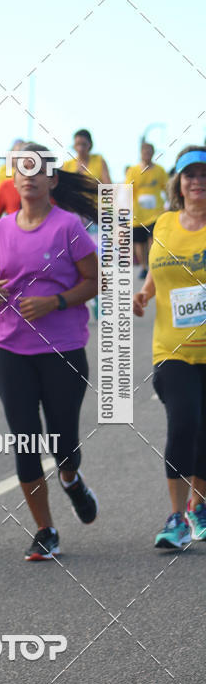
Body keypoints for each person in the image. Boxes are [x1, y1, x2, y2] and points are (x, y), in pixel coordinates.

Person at [0, 144, 99, 560]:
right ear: (12, 179)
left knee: (64, 442)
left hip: (63, 350)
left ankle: (71, 479)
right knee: (25, 440)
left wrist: (57, 302)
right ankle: (45, 529)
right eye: (21, 168)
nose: (28, 175)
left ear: (52, 179)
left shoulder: (68, 227)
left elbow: (95, 281)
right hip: (11, 350)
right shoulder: (1, 230)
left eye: (38, 169)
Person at [133, 147, 206, 548]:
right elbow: (159, 272)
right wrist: (144, 293)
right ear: (178, 182)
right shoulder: (162, 224)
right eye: (189, 175)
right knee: (184, 423)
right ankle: (177, 518)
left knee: (204, 433)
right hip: (172, 349)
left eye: (204, 175)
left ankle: (200, 506)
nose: (197, 182)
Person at [125, 142, 168, 279]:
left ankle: (152, 265)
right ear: (141, 153)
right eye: (145, 151)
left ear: (153, 153)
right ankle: (143, 266)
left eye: (150, 151)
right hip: (138, 213)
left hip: (156, 212)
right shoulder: (133, 170)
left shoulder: (159, 170)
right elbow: (128, 189)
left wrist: (170, 204)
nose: (147, 154)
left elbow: (166, 188)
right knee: (139, 242)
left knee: (153, 239)